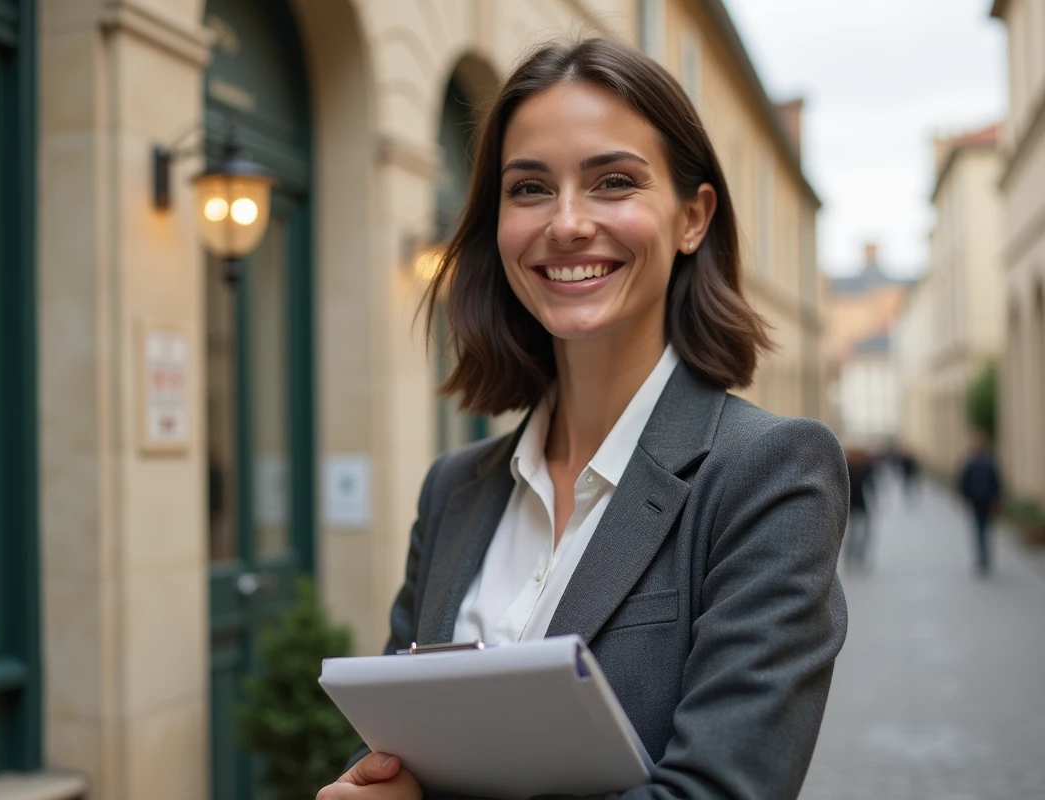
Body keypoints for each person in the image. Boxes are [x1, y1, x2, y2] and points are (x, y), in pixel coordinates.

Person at [318, 37, 849, 800]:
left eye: (613, 182)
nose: (566, 223)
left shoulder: (770, 474)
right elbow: (391, 752)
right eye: (529, 188)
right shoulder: (453, 491)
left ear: (693, 216)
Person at [958, 430, 1002, 575]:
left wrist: (965, 499)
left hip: (976, 500)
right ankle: (984, 556)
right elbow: (997, 483)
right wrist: (997, 499)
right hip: (987, 500)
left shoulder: (970, 463)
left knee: (979, 529)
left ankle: (982, 556)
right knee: (985, 529)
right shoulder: (990, 463)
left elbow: (963, 483)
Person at [843, 446, 875, 568]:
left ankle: (860, 555)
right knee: (853, 534)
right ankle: (850, 556)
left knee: (865, 533)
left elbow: (871, 484)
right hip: (851, 507)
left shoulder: (865, 469)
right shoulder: (847, 470)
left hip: (862, 505)